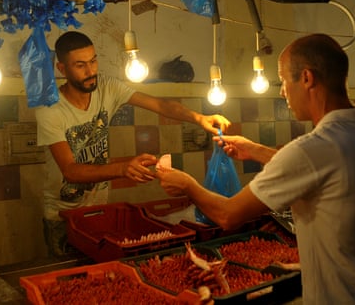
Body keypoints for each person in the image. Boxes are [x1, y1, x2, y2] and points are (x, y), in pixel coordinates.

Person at [157, 33, 355, 304]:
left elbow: (227, 215)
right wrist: (257, 151)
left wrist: (187, 184)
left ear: (306, 78)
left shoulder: (313, 148)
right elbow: (328, 167)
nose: (282, 91)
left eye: (283, 80)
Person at [34, 31, 231, 258]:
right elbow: (70, 171)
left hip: (99, 209)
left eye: (93, 61)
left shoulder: (107, 87)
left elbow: (160, 105)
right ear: (62, 69)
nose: (91, 72)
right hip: (62, 215)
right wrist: (122, 168)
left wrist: (199, 118)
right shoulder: (50, 109)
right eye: (80, 65)